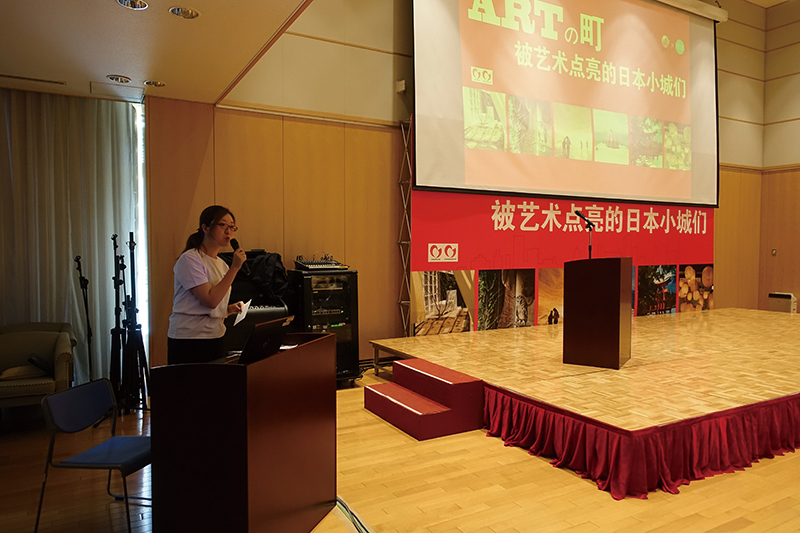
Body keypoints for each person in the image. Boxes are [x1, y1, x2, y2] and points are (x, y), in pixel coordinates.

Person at [167, 205, 246, 364]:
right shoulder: (190, 259)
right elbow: (210, 300)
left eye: (232, 227)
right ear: (205, 228)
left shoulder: (222, 264)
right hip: (190, 339)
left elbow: (212, 307)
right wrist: (235, 268)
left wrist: (228, 309)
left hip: (216, 335)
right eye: (222, 225)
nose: (228, 231)